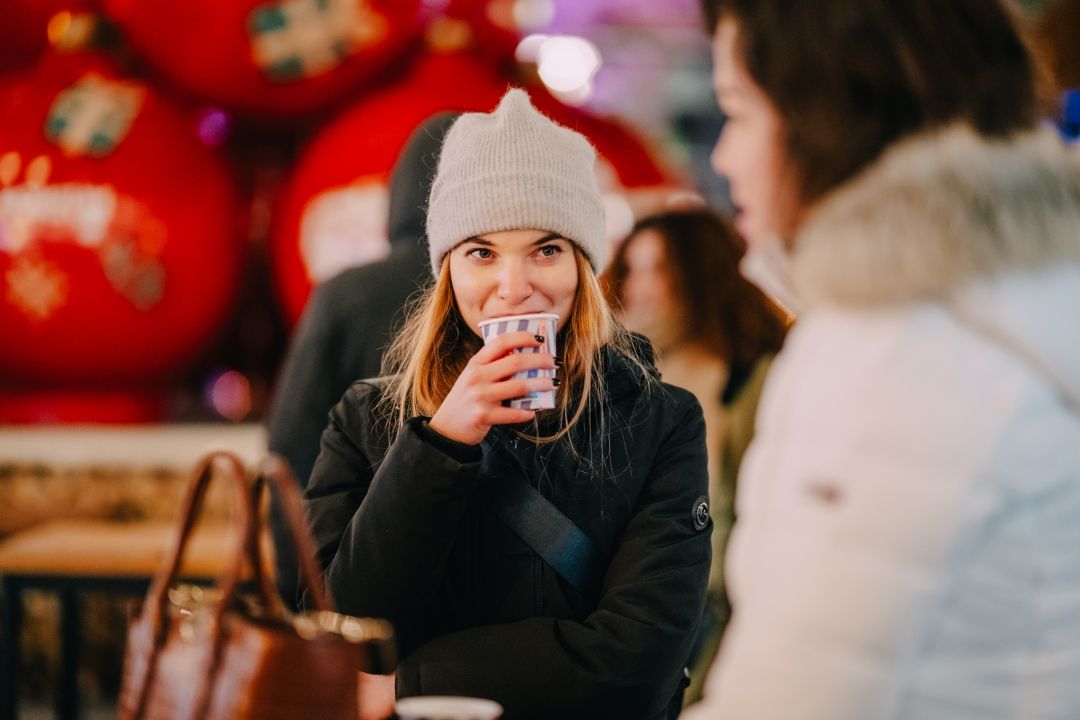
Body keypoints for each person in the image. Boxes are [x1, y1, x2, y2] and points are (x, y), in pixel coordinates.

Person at [683, 1, 1080, 718]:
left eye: (738, 113)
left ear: (828, 118)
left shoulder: (896, 358)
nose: (723, 156)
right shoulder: (1000, 306)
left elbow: (793, 698)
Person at [304, 88, 711, 720]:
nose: (514, 288)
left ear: (583, 266)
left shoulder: (659, 420)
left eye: (546, 249)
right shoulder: (366, 420)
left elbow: (639, 657)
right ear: (449, 272)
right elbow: (342, 624)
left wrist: (409, 685)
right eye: (482, 253)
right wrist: (438, 446)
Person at [266, 112, 458, 607]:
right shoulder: (505, 294)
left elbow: (291, 445)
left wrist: (300, 586)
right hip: (466, 582)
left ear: (396, 194)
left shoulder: (343, 294)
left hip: (350, 566)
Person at [602, 207, 788, 704]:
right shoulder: (613, 375)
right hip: (631, 598)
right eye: (633, 267)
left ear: (700, 273)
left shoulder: (755, 377)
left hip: (724, 603)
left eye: (659, 269)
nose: (640, 287)